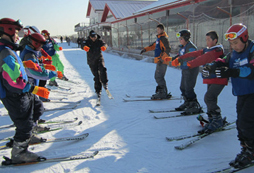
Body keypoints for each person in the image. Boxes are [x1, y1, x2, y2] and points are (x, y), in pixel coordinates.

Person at [204, 23, 254, 169]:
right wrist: (213, 65)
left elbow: (251, 70)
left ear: (245, 38)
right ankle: (246, 149)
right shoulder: (233, 53)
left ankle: (251, 151)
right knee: (240, 123)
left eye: (236, 42)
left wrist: (232, 72)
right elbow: (224, 59)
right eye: (231, 43)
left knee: (246, 122)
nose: (234, 46)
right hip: (242, 94)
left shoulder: (252, 50)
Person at [0, 18, 49, 163]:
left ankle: (30, 133)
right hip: (15, 95)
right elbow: (13, 82)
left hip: (22, 92)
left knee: (37, 107)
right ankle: (19, 152)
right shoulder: (6, 53)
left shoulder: (8, 50)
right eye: (15, 32)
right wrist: (33, 88)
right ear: (6, 32)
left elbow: (15, 70)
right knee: (24, 124)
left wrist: (25, 64)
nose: (17, 36)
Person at [168, 31, 227, 131]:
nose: (207, 42)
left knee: (209, 98)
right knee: (211, 98)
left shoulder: (216, 51)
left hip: (219, 78)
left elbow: (202, 58)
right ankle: (212, 117)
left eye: (209, 40)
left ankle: (217, 119)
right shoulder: (208, 49)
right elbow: (195, 53)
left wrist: (189, 64)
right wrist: (180, 59)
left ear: (215, 40)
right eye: (206, 39)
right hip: (211, 78)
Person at [167, 30, 202, 114]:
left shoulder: (191, 47)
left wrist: (179, 60)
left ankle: (194, 105)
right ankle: (187, 102)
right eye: (179, 38)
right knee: (183, 87)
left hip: (191, 70)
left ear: (186, 38)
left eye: (181, 38)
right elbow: (180, 55)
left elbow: (191, 57)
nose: (180, 40)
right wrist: (173, 58)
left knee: (188, 88)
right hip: (185, 69)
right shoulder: (183, 47)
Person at [20, 33, 60, 102]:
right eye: (41, 45)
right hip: (30, 83)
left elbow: (36, 65)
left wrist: (45, 65)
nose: (41, 47)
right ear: (35, 44)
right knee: (32, 102)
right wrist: (54, 74)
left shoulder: (31, 51)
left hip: (31, 82)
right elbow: (37, 73)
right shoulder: (30, 55)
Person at [140, 24, 171, 99]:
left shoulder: (163, 39)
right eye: (156, 30)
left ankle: (162, 93)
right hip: (160, 60)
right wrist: (145, 49)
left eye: (158, 30)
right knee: (159, 76)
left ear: (162, 30)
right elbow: (153, 46)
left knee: (158, 76)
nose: (157, 31)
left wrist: (162, 59)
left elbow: (167, 49)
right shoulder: (159, 39)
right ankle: (163, 91)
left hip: (162, 61)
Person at [83, 30, 108, 98]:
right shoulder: (87, 41)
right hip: (91, 61)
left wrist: (104, 47)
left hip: (99, 58)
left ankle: (104, 82)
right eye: (92, 37)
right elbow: (83, 44)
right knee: (96, 76)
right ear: (90, 37)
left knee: (102, 68)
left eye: (95, 37)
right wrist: (84, 47)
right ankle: (98, 90)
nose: (94, 38)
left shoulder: (99, 41)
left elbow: (104, 44)